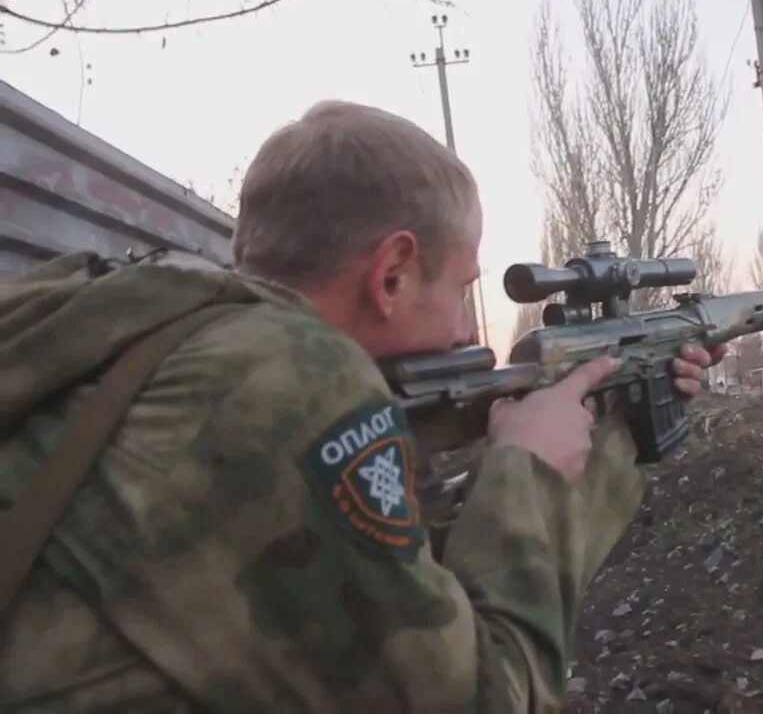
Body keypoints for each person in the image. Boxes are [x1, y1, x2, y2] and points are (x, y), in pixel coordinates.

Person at [0, 100, 724, 712]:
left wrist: (620, 420)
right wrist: (524, 474)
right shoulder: (285, 381)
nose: (469, 331)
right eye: (462, 290)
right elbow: (486, 694)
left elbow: (356, 591)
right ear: (392, 274)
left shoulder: (149, 337)